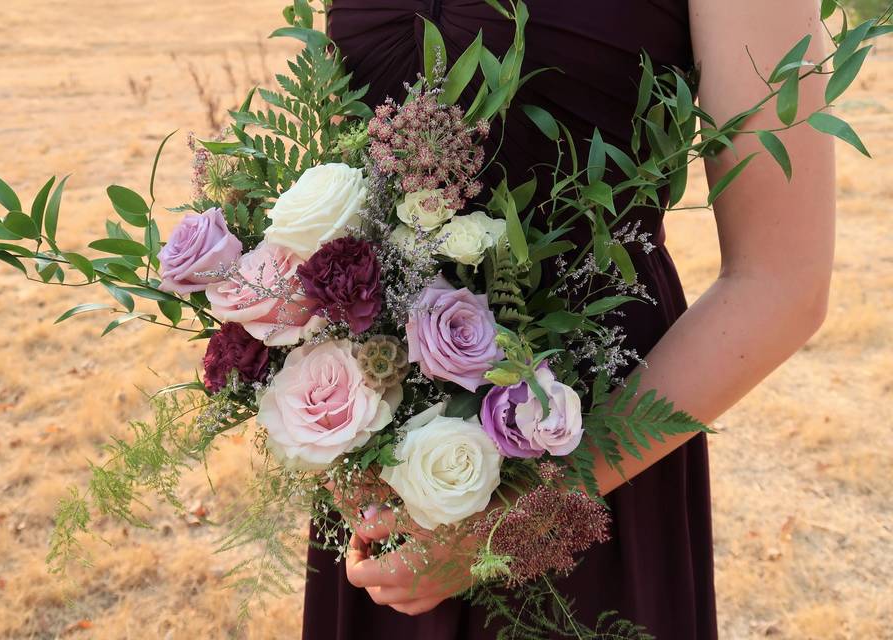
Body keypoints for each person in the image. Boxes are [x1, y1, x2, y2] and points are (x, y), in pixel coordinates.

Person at [302, 1, 835, 638]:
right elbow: (349, 174)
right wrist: (321, 406)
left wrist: (521, 520)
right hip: (382, 460)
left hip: (592, 438)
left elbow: (781, 282)